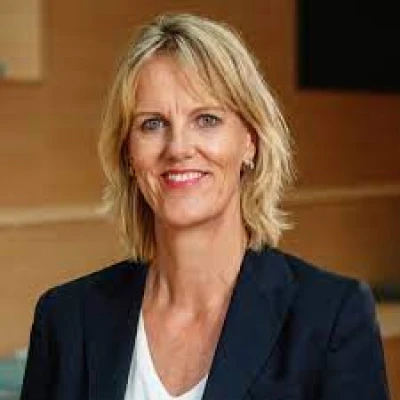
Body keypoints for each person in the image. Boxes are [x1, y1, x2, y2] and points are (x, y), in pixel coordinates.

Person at [20, 13, 390, 400]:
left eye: (207, 119)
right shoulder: (65, 319)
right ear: (128, 153)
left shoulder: (331, 318)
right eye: (152, 124)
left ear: (250, 141)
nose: (178, 148)